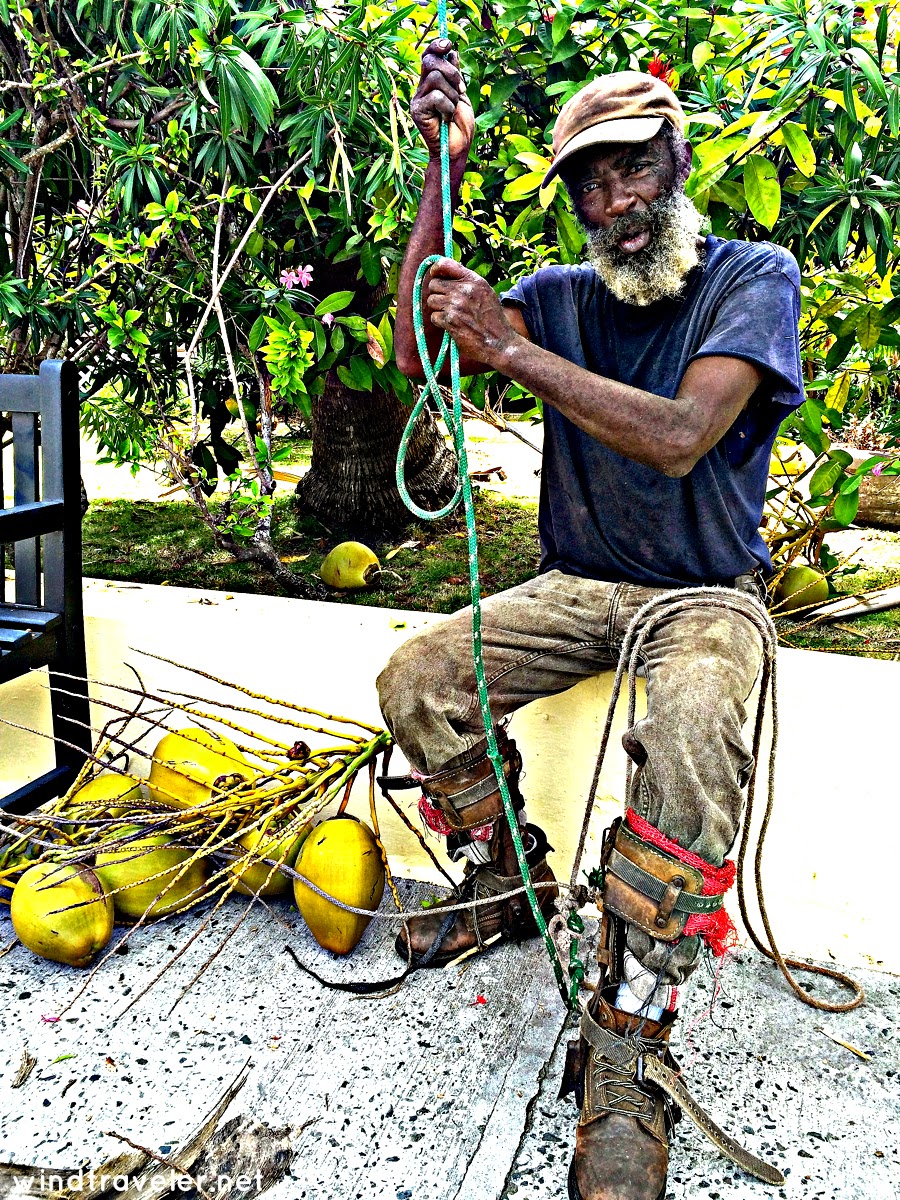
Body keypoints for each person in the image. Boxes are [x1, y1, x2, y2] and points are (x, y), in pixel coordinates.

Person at [377, 39, 803, 1200]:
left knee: (697, 723)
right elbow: (415, 351)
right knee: (418, 677)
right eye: (590, 184)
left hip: (703, 593)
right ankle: (506, 881)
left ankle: (629, 1036)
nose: (614, 204)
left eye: (632, 170)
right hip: (578, 583)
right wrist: (440, 175)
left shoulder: (753, 277)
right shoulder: (564, 297)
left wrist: (511, 351)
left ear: (677, 162)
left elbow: (680, 437)